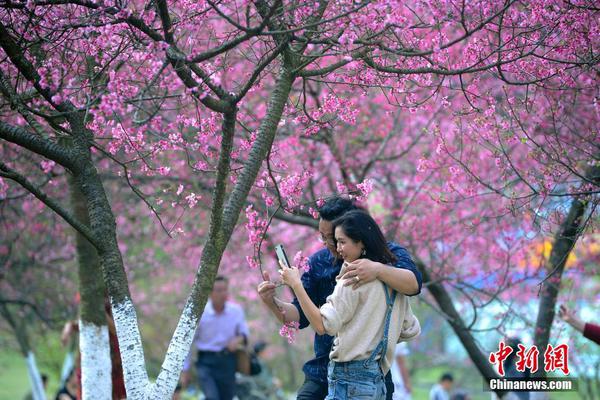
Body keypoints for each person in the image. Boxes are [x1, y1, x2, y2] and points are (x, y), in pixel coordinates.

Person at [258, 196, 422, 400]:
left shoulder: (387, 255)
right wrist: (272, 302)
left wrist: (378, 269)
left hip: (372, 372)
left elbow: (413, 285)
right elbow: (301, 315)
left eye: (335, 239)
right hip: (323, 369)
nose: (328, 244)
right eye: (323, 237)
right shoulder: (319, 262)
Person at [182, 275, 249, 400]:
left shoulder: (236, 311)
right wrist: (185, 369)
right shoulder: (201, 313)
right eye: (219, 290)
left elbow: (244, 334)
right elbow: (189, 343)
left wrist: (237, 340)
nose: (223, 293)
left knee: (227, 397)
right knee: (212, 397)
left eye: (225, 289)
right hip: (206, 362)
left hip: (228, 361)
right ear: (210, 293)